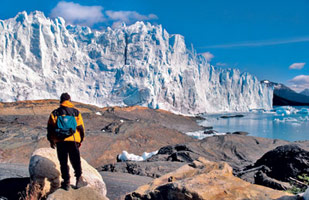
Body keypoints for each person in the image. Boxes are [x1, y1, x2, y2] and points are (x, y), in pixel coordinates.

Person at [47, 93, 86, 190]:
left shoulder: (55, 113)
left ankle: (66, 182)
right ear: (69, 100)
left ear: (61, 101)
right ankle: (79, 179)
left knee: (63, 162)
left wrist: (52, 140)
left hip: (60, 141)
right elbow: (81, 128)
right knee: (76, 160)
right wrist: (80, 140)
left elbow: (50, 128)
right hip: (73, 140)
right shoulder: (76, 112)